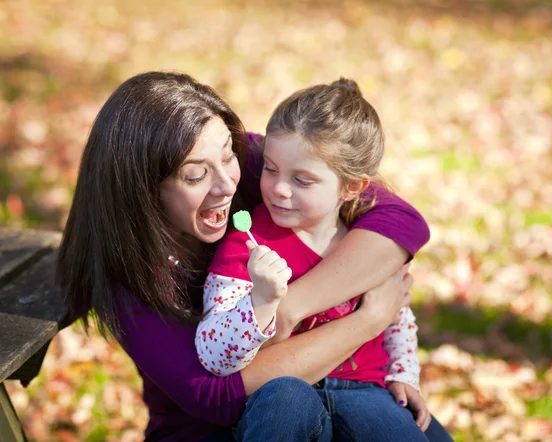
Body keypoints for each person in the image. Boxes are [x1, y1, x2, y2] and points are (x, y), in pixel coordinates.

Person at [56, 71, 451, 442]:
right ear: (143, 188)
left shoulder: (260, 170)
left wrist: (294, 307)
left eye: (229, 155)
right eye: (196, 176)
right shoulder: (126, 279)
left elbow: (402, 220)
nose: (229, 184)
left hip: (345, 391)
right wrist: (368, 319)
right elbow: (215, 397)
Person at [195, 78, 446, 441]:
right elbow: (213, 355)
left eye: (303, 180)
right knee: (284, 406)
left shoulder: (368, 247)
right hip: (281, 388)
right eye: (270, 168)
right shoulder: (247, 245)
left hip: (366, 391)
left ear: (352, 187)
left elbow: (397, 316)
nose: (279, 188)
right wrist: (259, 302)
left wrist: (404, 375)